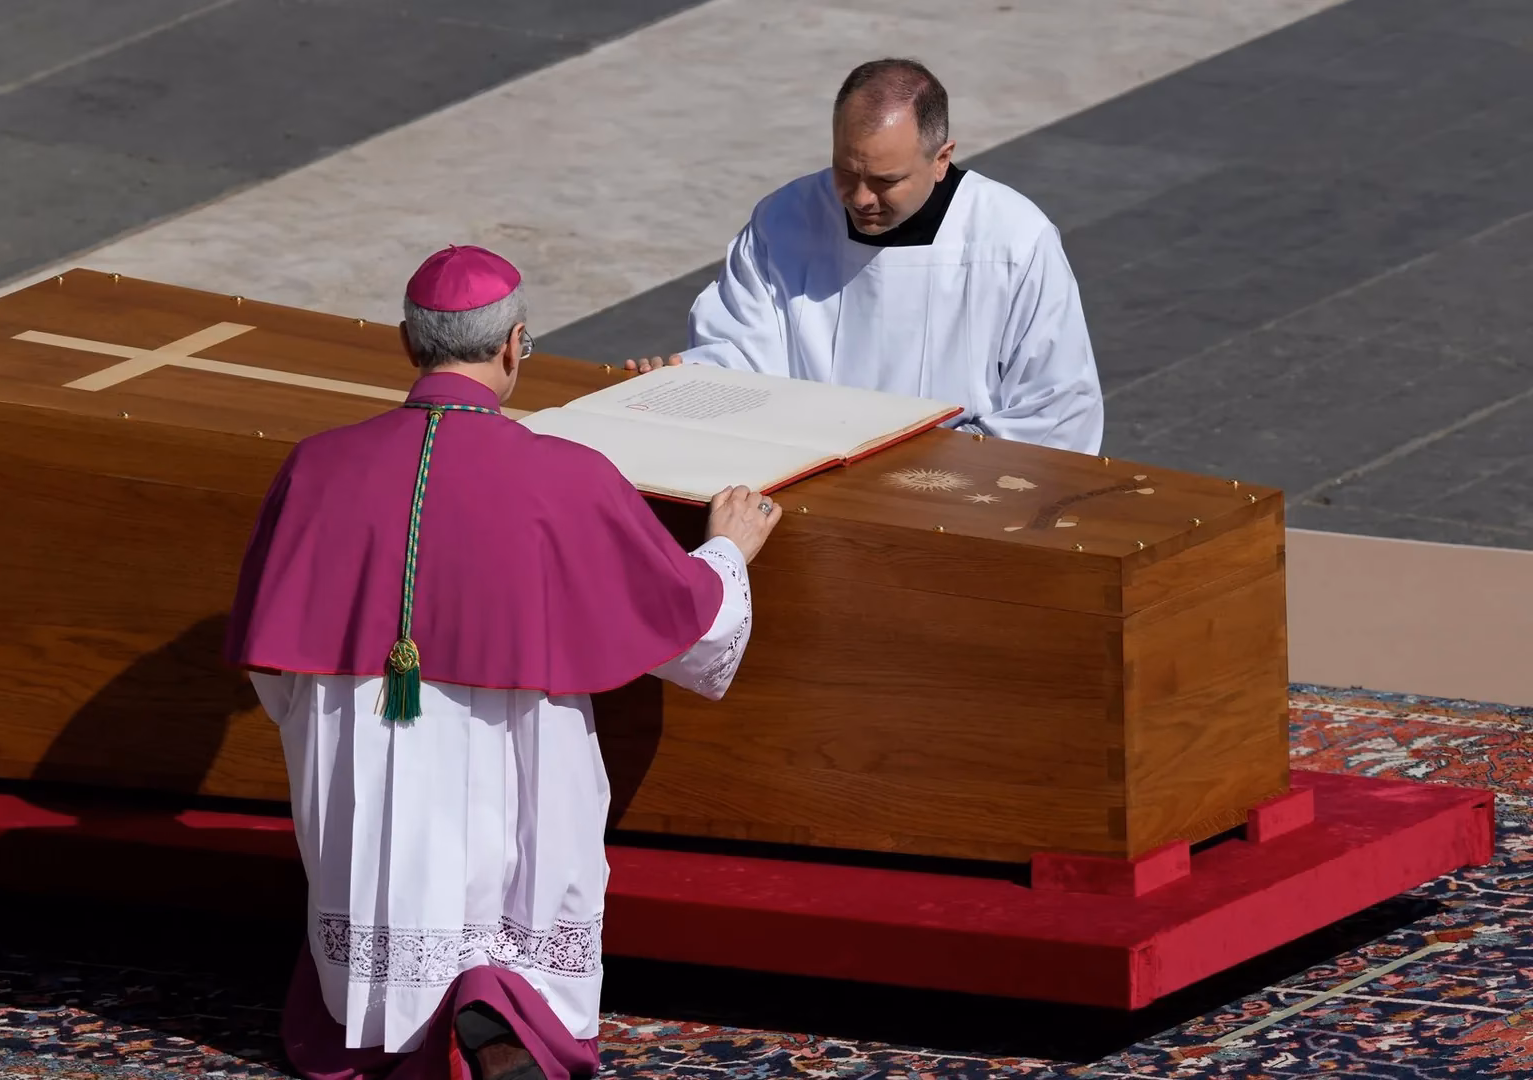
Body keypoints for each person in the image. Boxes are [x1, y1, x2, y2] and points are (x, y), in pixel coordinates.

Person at [223, 245, 781, 1080]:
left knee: (386, 863)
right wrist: (727, 552)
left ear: (407, 342)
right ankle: (501, 1014)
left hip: (368, 754)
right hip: (516, 750)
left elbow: (276, 674)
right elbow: (687, 626)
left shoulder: (318, 464)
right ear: (517, 343)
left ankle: (385, 1022)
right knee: (516, 862)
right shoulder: (567, 475)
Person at [628, 58, 1104, 454]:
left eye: (885, 180)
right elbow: (740, 352)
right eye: (845, 172)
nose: (860, 198)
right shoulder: (785, 219)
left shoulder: (1013, 240)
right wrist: (685, 383)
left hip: (954, 495)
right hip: (804, 477)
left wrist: (922, 469)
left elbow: (1054, 408)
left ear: (941, 159)